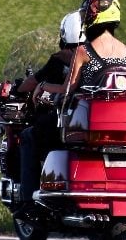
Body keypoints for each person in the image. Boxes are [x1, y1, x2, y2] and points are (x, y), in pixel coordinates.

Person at [16, 12, 83, 215]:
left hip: (68, 118)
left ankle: (28, 201)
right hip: (87, 119)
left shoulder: (61, 58)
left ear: (64, 34)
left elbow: (35, 82)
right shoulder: (100, 56)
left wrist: (17, 89)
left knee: (29, 136)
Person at [63, 0, 126, 95]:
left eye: (86, 14)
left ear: (94, 16)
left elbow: (68, 89)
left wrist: (43, 86)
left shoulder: (82, 51)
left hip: (96, 110)